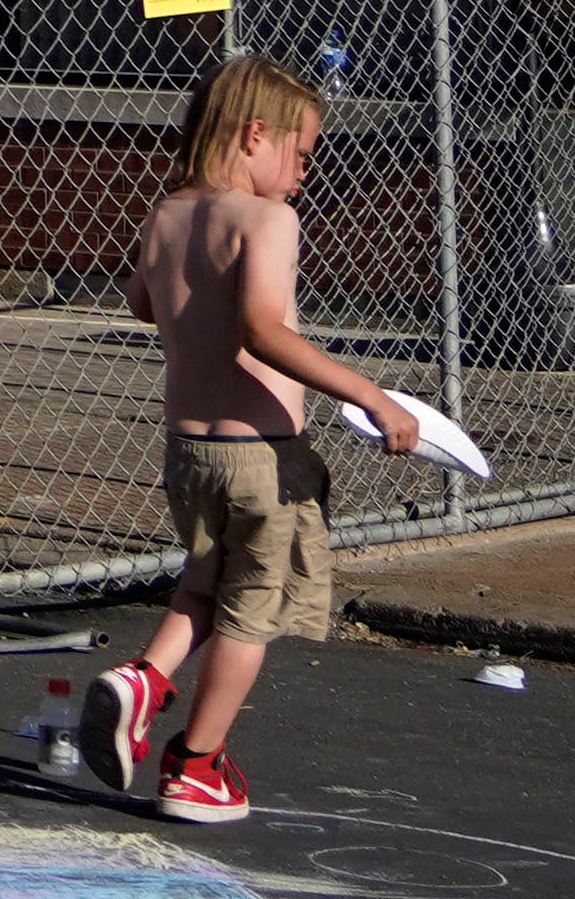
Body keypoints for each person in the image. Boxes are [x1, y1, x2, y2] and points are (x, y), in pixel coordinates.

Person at [91, 56, 406, 827]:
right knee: (250, 610)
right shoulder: (268, 220)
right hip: (260, 457)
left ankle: (143, 679)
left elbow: (140, 302)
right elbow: (263, 329)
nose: (302, 174)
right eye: (300, 154)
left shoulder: (165, 214)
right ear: (254, 133)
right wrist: (368, 391)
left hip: (186, 451)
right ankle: (197, 763)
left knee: (202, 584)